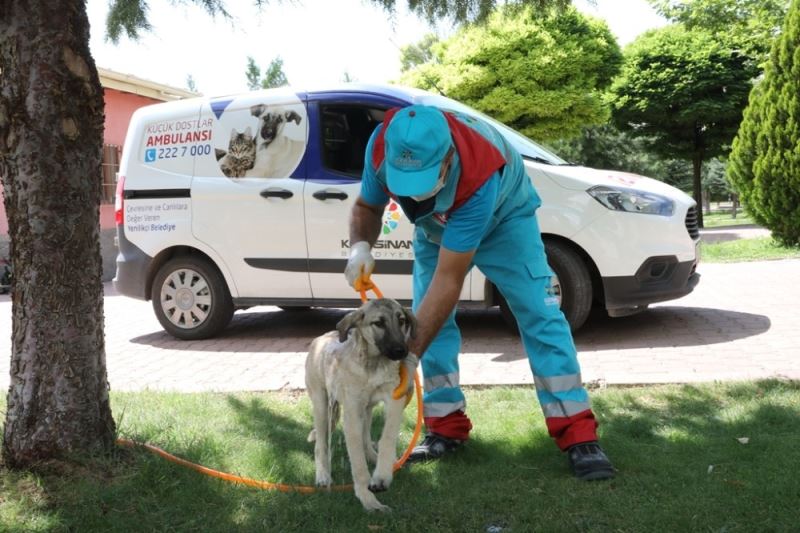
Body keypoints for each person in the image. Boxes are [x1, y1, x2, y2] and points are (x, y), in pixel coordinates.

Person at [344, 104, 614, 480]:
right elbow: (367, 206)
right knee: (428, 321)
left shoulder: (480, 170)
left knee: (540, 315)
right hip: (435, 229)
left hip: (506, 221)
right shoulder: (381, 146)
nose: (413, 195)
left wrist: (408, 358)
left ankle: (578, 433)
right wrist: (360, 247)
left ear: (448, 158)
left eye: (422, 181)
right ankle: (445, 427)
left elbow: (449, 280)